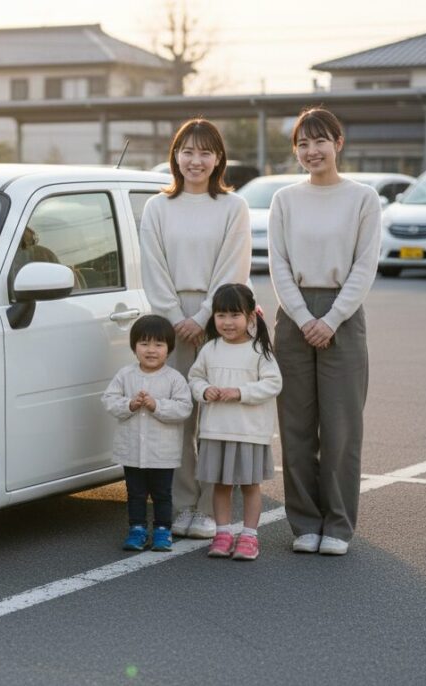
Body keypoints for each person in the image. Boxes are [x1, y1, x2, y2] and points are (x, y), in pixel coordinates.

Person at [267, 107, 381, 556]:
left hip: (343, 314)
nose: (311, 151)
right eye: (302, 143)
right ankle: (305, 522)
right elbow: (277, 265)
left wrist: (330, 319)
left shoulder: (363, 198)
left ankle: (337, 523)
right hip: (293, 316)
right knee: (295, 425)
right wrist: (302, 318)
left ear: (338, 142)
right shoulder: (285, 199)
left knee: (341, 426)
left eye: (319, 141)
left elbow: (365, 265)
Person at [139, 118, 251, 539]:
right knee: (178, 415)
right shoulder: (157, 207)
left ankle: (208, 507)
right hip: (170, 319)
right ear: (175, 156)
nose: (195, 160)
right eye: (187, 151)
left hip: (221, 317)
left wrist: (204, 317)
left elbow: (233, 265)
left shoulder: (232, 207)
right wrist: (174, 317)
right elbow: (153, 266)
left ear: (219, 158)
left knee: (214, 416)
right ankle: (182, 502)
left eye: (205, 152)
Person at [186, 284, 281, 561]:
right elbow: (195, 378)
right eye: (221, 315)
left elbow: (274, 383)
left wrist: (240, 393)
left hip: (249, 432)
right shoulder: (209, 349)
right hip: (216, 430)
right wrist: (204, 390)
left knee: (250, 485)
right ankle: (223, 532)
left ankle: (250, 536)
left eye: (235, 315)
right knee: (220, 484)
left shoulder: (259, 350)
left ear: (251, 316)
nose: (227, 322)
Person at [101, 315, 194, 552]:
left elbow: (184, 407)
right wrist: (129, 405)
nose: (151, 350)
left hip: (162, 451)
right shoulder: (125, 375)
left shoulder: (174, 378)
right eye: (144, 344)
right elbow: (109, 400)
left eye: (158, 344)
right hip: (131, 450)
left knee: (162, 494)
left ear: (169, 349)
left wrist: (156, 406)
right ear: (134, 347)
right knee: (135, 493)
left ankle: (163, 530)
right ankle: (137, 530)